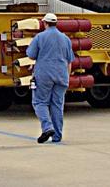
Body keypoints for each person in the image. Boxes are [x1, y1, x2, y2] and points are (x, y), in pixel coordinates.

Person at [25, 12, 74, 144]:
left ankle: (47, 127)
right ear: (56, 23)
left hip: (44, 75)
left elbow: (31, 55)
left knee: (39, 102)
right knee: (57, 105)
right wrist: (67, 77)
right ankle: (57, 136)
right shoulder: (65, 39)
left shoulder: (40, 37)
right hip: (62, 75)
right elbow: (69, 61)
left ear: (45, 23)